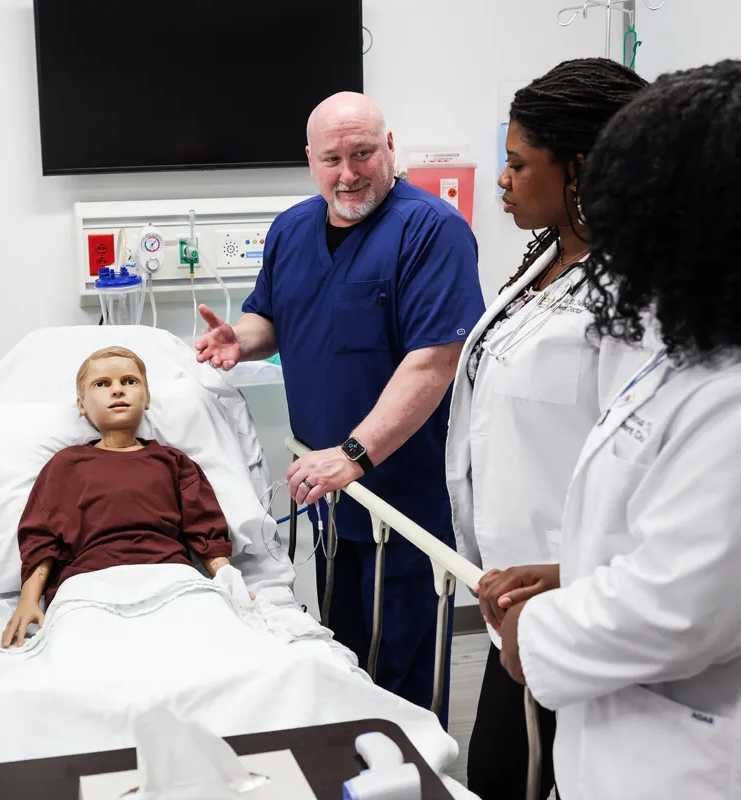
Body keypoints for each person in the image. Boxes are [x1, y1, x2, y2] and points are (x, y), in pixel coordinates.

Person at [194, 92, 484, 720]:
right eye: (332, 158)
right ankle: (347, 762)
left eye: (361, 154)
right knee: (344, 649)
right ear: (310, 160)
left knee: (400, 663)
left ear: (390, 148)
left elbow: (436, 359)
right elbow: (270, 316)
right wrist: (237, 340)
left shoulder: (433, 231)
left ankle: (409, 773)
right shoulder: (293, 229)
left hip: (401, 492)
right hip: (328, 489)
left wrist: (355, 454)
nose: (348, 173)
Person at [495, 59, 741, 798]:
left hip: (687, 760)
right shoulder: (694, 349)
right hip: (621, 736)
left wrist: (533, 635)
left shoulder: (728, 394)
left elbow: (685, 606)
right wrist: (578, 574)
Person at [442, 58, 650, 799]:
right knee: (501, 769)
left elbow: (650, 466)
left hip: (580, 598)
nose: (502, 178)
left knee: (523, 773)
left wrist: (574, 575)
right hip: (514, 597)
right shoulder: (549, 263)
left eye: (517, 161)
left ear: (581, 168)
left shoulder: (638, 295)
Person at [1, 346, 239, 647]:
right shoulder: (66, 465)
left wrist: (229, 581)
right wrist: (28, 599)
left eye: (129, 381)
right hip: (88, 585)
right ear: (82, 404)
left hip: (171, 579)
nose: (117, 390)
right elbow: (41, 537)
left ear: (148, 397)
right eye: (102, 384)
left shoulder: (173, 462)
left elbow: (204, 529)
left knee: (206, 649)